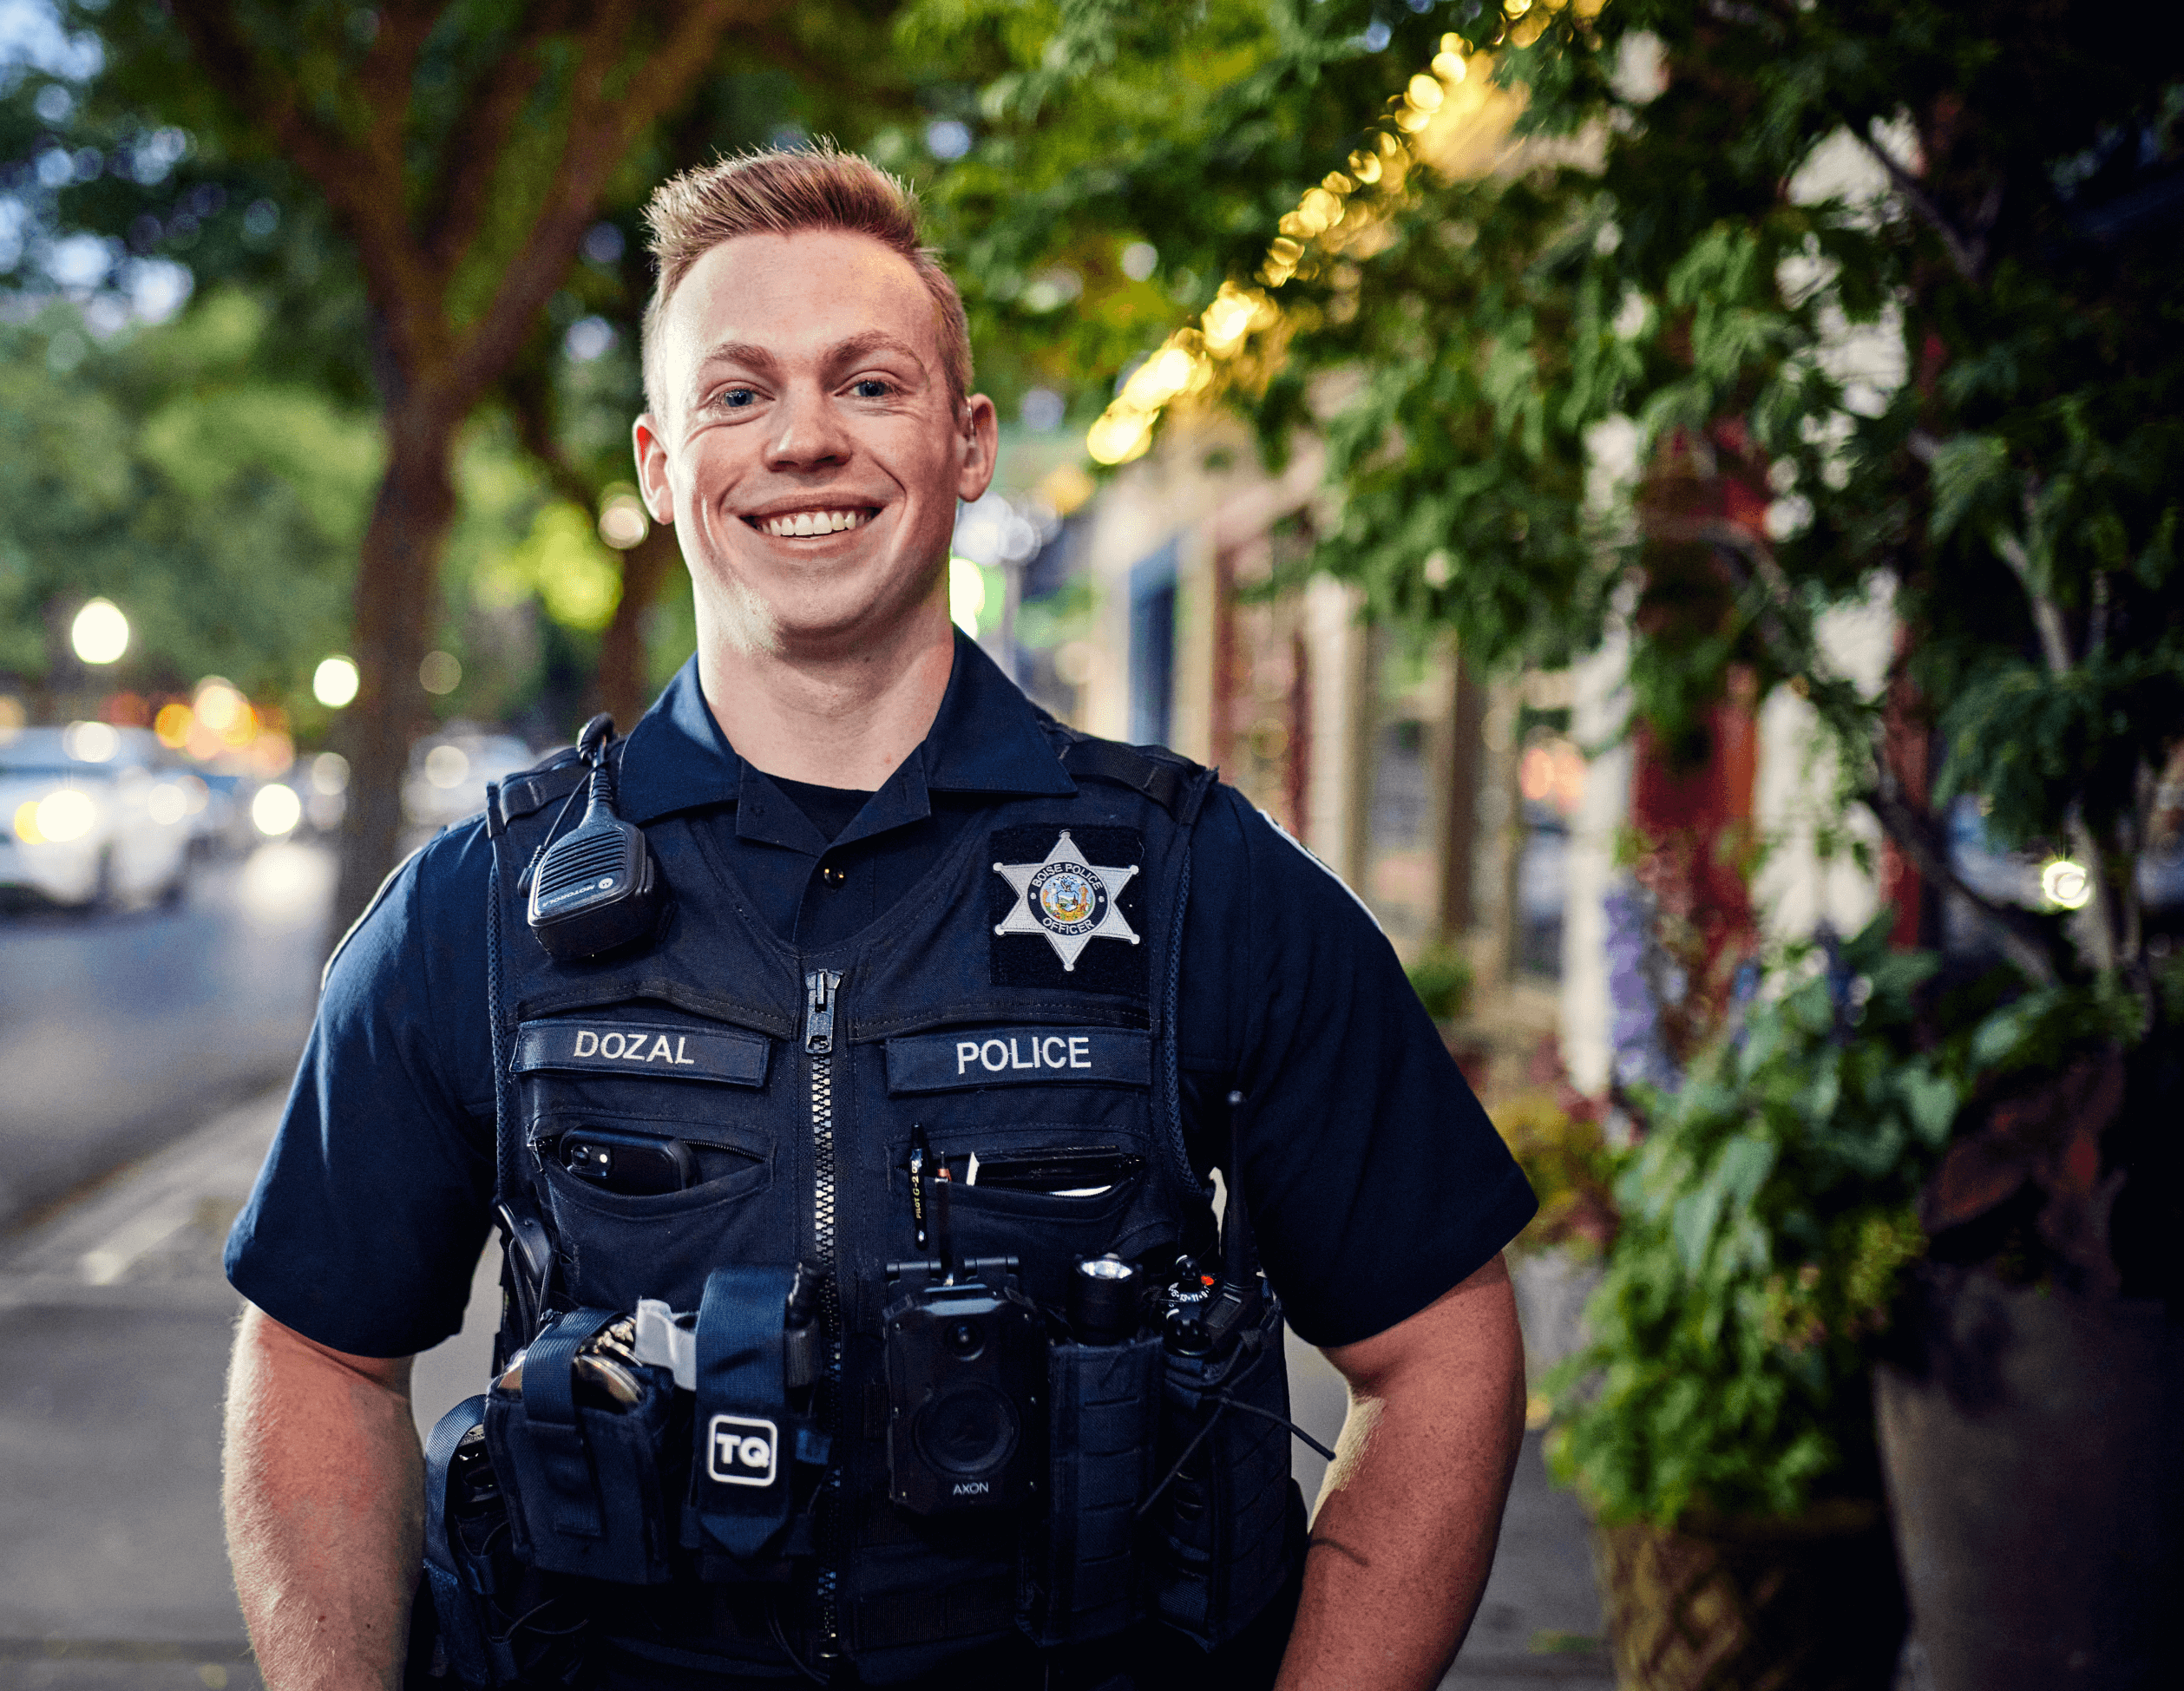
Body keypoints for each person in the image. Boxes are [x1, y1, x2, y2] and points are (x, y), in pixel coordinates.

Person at [222, 147, 1534, 1691]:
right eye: (736, 394)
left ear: (968, 443)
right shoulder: (481, 909)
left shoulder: (1194, 882)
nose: (802, 441)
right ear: (658, 465)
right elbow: (316, 1348)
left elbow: (1439, 1342)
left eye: (868, 384)